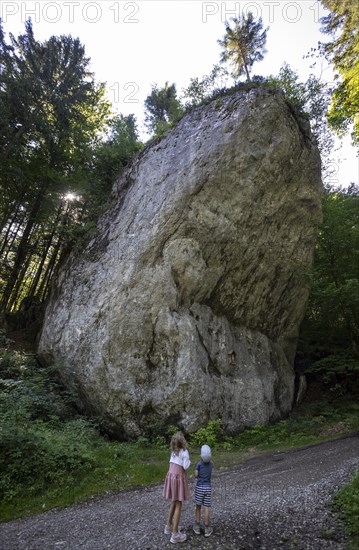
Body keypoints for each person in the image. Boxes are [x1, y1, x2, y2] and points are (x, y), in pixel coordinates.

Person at [163, 431, 191, 544]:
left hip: (171, 478)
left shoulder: (173, 452)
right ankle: (175, 534)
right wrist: (189, 461)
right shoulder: (184, 452)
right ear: (182, 442)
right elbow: (185, 466)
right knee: (179, 504)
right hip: (178, 479)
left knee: (173, 502)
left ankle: (168, 526)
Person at [193, 444, 213, 537]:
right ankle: (206, 528)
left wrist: (196, 473)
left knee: (198, 506)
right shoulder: (211, 464)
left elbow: (196, 475)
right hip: (208, 488)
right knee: (206, 507)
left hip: (199, 487)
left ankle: (197, 526)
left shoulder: (199, 464)